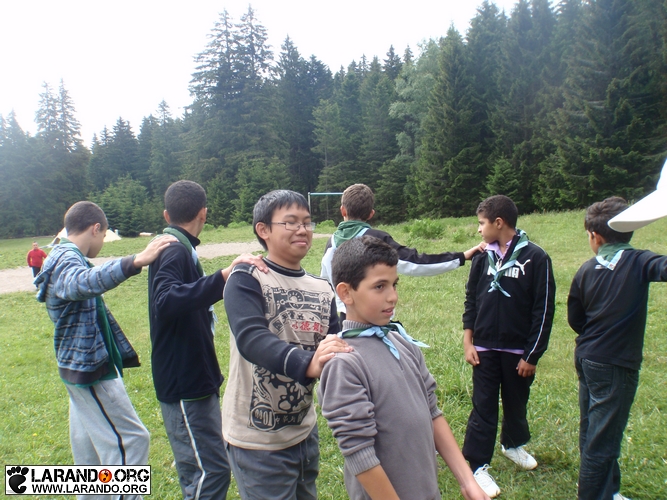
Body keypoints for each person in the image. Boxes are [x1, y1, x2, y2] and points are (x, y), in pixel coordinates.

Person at [318, 235, 490, 500]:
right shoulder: (344, 362)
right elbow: (359, 453)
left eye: (394, 284)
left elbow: (432, 413)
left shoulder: (402, 343)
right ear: (345, 293)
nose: (393, 297)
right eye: (379, 287)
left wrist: (467, 481)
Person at [34, 201, 176, 500]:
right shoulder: (66, 258)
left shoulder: (62, 254)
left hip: (79, 367)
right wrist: (135, 261)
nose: (102, 241)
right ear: (95, 228)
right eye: (104, 234)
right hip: (89, 371)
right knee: (131, 442)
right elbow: (80, 283)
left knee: (90, 456)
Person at [221, 189, 351, 499]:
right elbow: (251, 338)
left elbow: (335, 344)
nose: (302, 230)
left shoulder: (323, 288)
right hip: (257, 441)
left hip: (304, 432)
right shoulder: (247, 278)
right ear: (263, 230)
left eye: (307, 222)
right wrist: (307, 363)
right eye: (290, 222)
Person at [147, 180, 267, 500]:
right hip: (184, 383)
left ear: (166, 214)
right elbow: (165, 301)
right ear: (204, 213)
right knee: (209, 473)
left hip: (196, 377)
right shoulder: (174, 249)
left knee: (209, 468)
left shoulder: (178, 245)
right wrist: (224, 276)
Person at [568, 196, 667, 500]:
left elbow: (575, 318)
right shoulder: (640, 261)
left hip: (587, 358)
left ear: (595, 236)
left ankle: (609, 491)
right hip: (615, 365)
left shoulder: (585, 270)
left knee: (592, 431)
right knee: (603, 441)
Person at [461, 195, 556, 498]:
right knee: (483, 406)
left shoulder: (536, 258)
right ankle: (477, 466)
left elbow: (543, 309)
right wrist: (468, 341)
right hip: (484, 348)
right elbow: (472, 300)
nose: (479, 230)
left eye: (482, 223)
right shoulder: (481, 257)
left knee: (516, 402)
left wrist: (532, 354)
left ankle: (513, 444)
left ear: (499, 223)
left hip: (518, 352)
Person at [321, 183, 484, 319]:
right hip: (378, 320)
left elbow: (325, 287)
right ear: (371, 214)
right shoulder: (377, 239)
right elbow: (414, 262)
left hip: (345, 322)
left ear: (343, 210)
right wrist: (461, 257)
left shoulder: (331, 243)